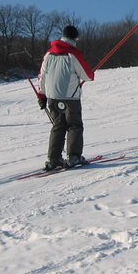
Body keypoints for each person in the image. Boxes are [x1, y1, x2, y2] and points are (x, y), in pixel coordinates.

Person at [38, 25, 95, 171]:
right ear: (75, 38)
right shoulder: (73, 53)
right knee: (74, 125)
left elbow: (42, 76)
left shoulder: (49, 54)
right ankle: (74, 157)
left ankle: (53, 159)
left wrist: (42, 95)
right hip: (70, 97)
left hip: (52, 97)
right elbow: (87, 76)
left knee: (58, 126)